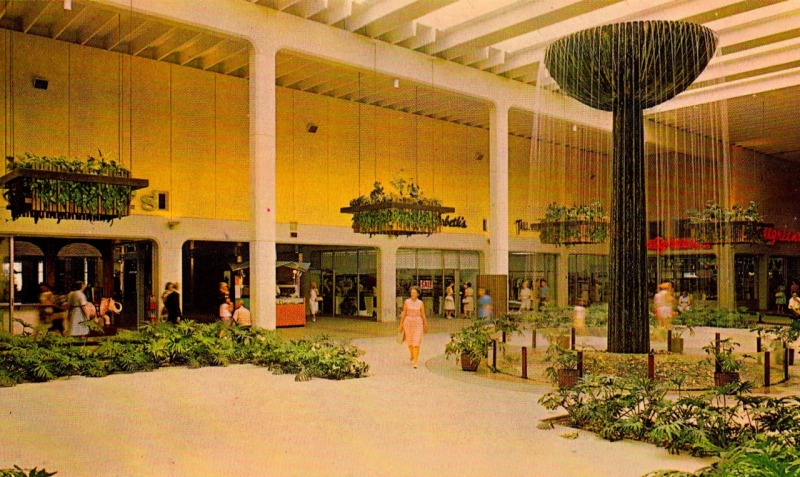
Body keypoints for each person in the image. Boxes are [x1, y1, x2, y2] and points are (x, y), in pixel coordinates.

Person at [398, 286, 428, 369]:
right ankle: (412, 354)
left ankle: (415, 361)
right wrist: (401, 324)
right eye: (411, 293)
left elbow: (423, 314)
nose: (413, 294)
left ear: (418, 294)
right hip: (408, 323)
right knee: (410, 341)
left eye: (414, 293)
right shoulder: (407, 302)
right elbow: (404, 313)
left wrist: (425, 324)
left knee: (416, 342)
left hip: (418, 323)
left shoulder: (420, 303)